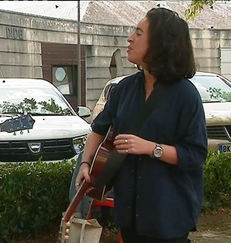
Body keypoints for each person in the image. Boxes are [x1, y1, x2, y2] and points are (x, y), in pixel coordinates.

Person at [75, 8, 207, 243]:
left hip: (169, 214)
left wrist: (150, 148)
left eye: (138, 33)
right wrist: (86, 163)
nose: (129, 38)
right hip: (129, 211)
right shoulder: (123, 88)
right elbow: (98, 128)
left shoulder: (186, 95)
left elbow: (195, 155)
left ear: (159, 43)